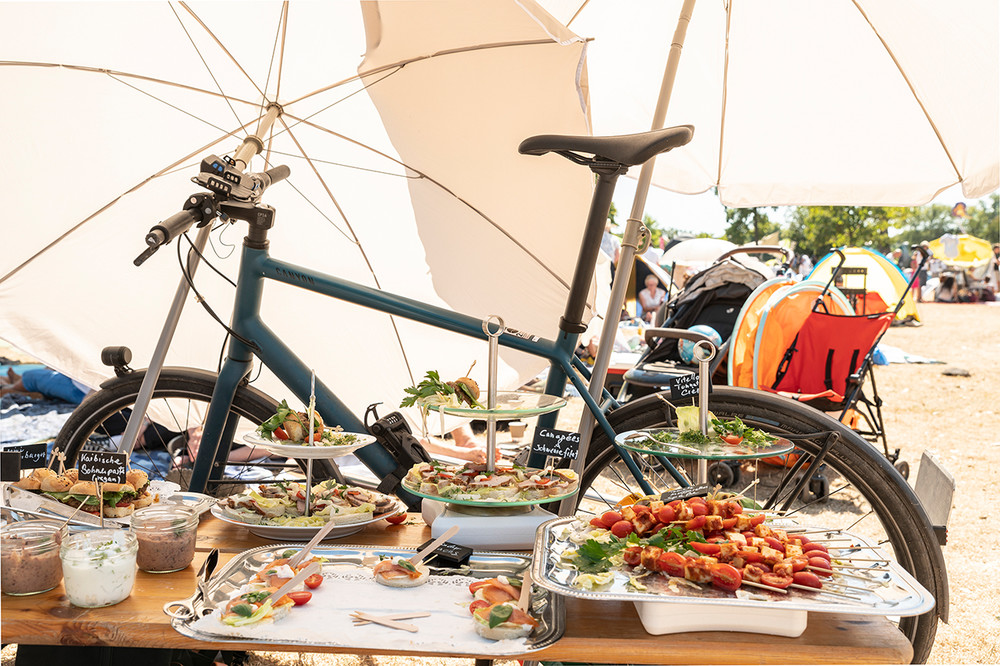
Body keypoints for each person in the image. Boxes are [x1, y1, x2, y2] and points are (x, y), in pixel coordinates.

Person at [0, 367, 88, 403]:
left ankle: (10, 388)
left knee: (30, 376)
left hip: (82, 391)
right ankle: (18, 380)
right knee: (54, 365)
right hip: (84, 386)